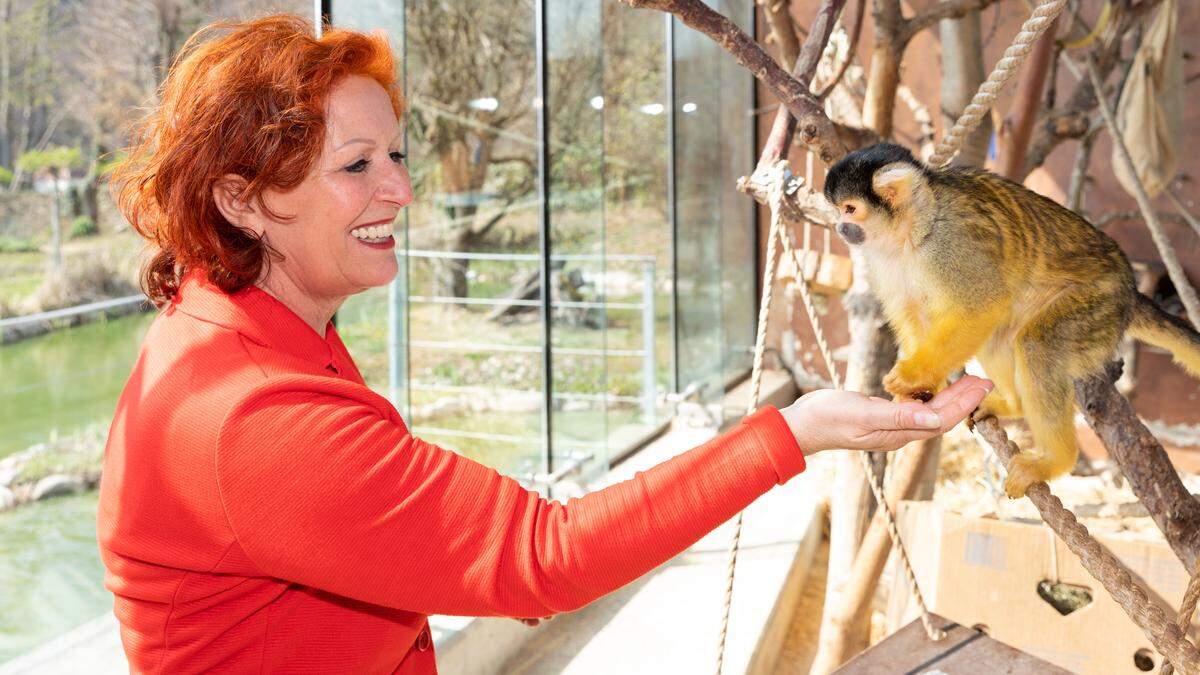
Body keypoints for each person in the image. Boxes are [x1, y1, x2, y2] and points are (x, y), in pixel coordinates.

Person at [96, 13, 992, 674]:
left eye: (397, 157)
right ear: (241, 199)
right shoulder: (249, 413)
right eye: (356, 165)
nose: (401, 193)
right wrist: (792, 434)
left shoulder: (249, 328)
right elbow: (541, 556)